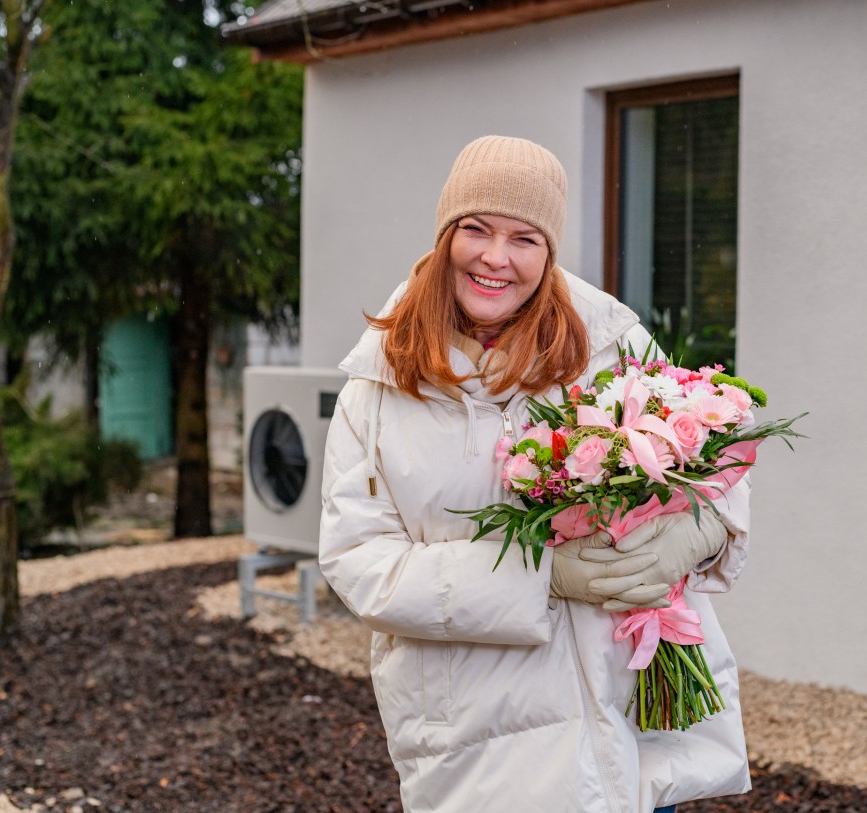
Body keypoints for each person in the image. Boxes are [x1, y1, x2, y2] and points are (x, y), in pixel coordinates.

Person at [319, 135, 752, 813]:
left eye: (525, 237)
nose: (496, 257)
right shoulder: (376, 387)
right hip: (479, 742)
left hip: (622, 722)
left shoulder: (611, 343)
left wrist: (695, 531)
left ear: (549, 253)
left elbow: (710, 455)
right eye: (476, 229)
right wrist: (540, 575)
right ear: (444, 236)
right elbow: (359, 562)